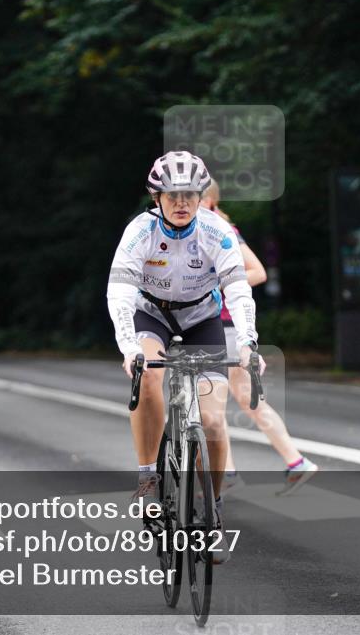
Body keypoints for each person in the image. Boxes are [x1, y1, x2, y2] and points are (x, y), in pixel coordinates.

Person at [107, 151, 264, 564]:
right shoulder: (139, 232)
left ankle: (212, 515)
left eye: (191, 195)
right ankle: (147, 480)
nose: (182, 203)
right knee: (150, 377)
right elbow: (120, 292)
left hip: (201, 319)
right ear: (156, 197)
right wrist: (129, 347)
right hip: (151, 314)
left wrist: (247, 344)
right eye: (172, 195)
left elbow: (238, 290)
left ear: (201, 197)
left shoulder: (217, 230)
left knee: (212, 419)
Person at [200, 182, 319, 495]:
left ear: (210, 200)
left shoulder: (222, 229)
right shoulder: (205, 229)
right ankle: (293, 464)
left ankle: (230, 473)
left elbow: (258, 271)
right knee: (243, 403)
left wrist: (218, 281)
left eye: (194, 196)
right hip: (222, 328)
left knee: (214, 406)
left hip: (225, 327)